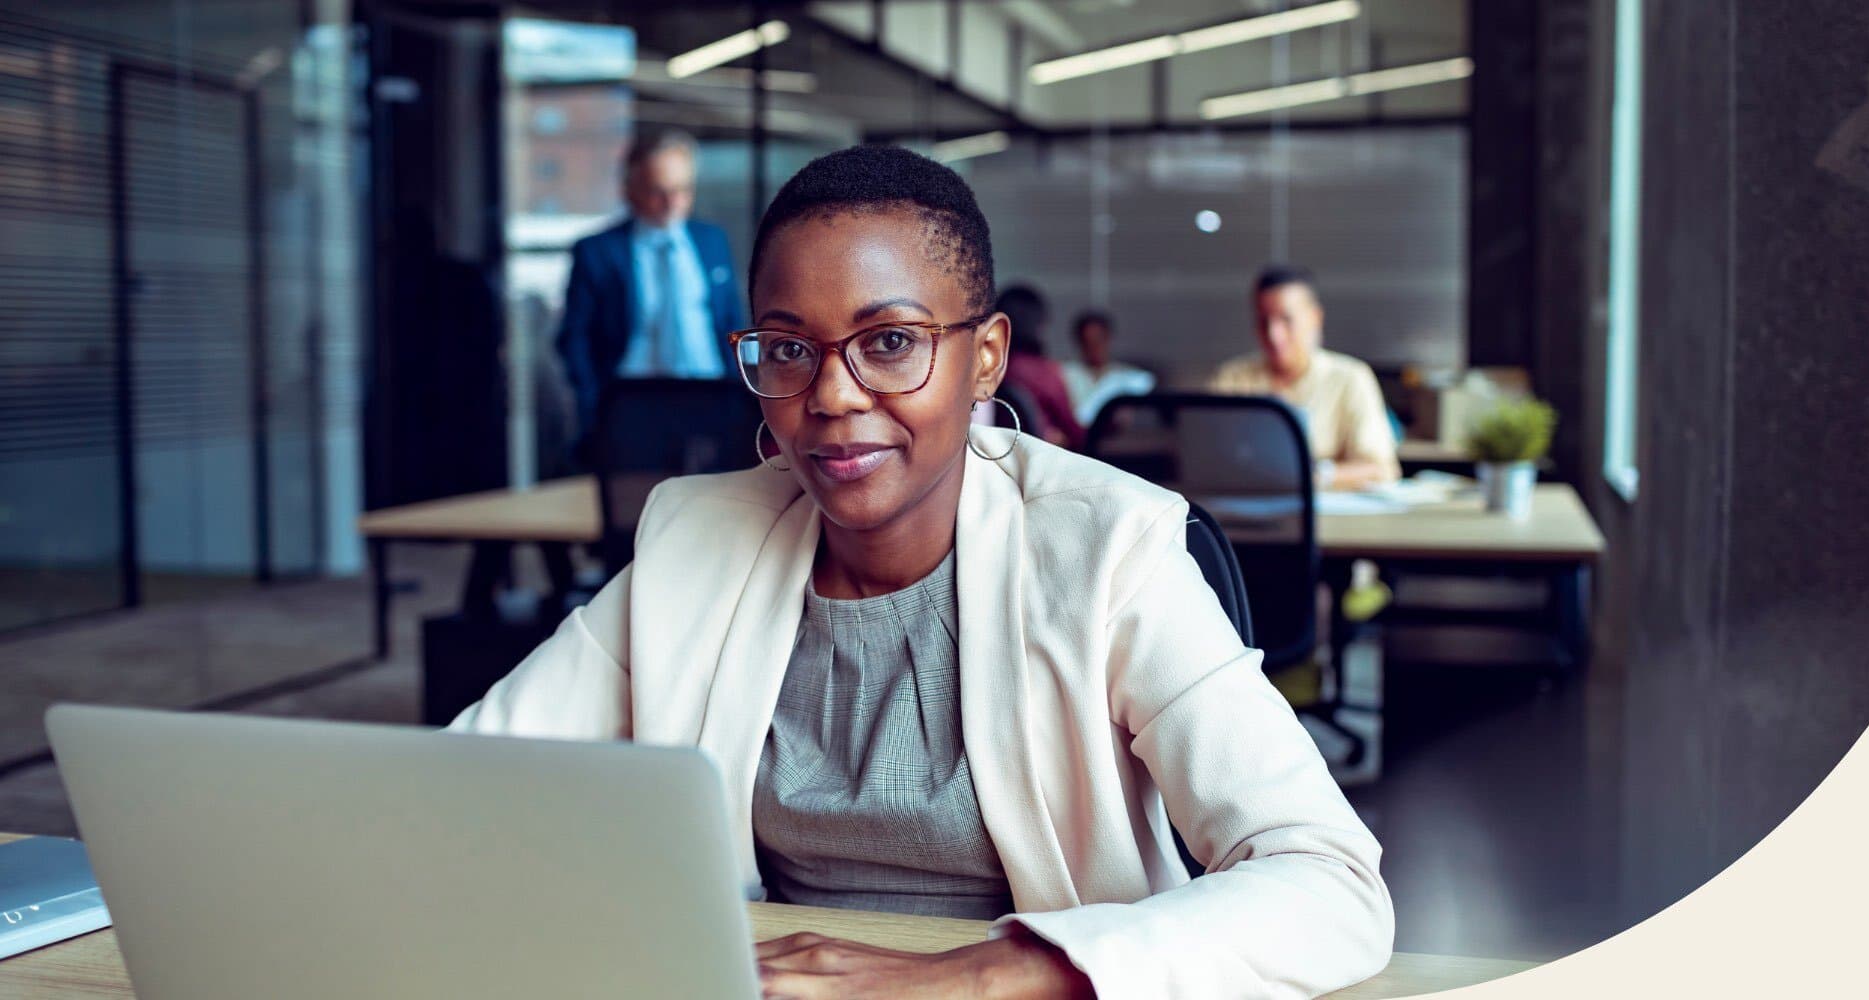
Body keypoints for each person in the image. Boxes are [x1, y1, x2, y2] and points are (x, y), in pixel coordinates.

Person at [450, 146, 1392, 999]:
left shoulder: (1109, 548)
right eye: (788, 349)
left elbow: (1331, 881)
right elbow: (456, 791)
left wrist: (990, 975)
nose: (830, 395)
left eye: (890, 342)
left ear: (984, 359)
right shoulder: (698, 542)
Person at [555, 129, 747, 445]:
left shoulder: (711, 240)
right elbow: (574, 337)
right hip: (633, 403)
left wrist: (740, 392)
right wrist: (593, 404)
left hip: (711, 396)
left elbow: (729, 322)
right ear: (630, 190)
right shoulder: (598, 251)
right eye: (659, 191)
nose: (672, 202)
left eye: (683, 190)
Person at [1209, 266, 1401, 490]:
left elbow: (1381, 468)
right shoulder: (1231, 378)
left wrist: (1316, 475)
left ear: (1315, 318)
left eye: (1286, 320)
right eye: (1263, 321)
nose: (1273, 334)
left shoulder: (1352, 377)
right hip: (1244, 513)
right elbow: (1208, 458)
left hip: (1326, 517)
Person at [994, 285, 1088, 449]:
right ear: (1038, 324)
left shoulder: (990, 368)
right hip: (1043, 456)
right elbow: (1075, 433)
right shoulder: (1044, 373)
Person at [1059, 310, 1155, 429]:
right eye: (1088, 342)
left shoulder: (1128, 378)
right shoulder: (1065, 374)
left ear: (1108, 339)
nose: (1094, 348)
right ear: (1080, 342)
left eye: (1098, 340)